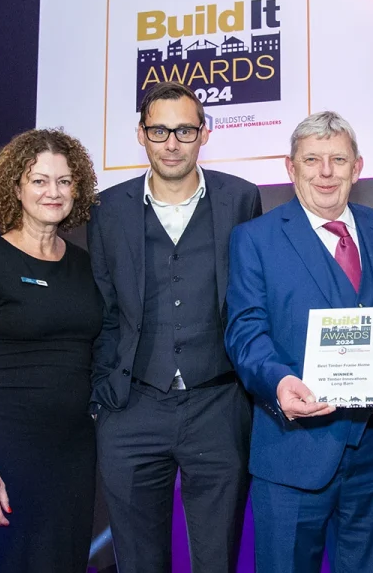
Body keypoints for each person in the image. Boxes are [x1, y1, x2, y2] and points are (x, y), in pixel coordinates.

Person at [225, 112, 373, 573]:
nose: (325, 172)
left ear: (357, 167)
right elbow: (245, 330)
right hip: (292, 452)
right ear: (291, 169)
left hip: (372, 448)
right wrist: (277, 382)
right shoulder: (255, 239)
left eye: (338, 159)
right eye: (311, 160)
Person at [88, 81, 261, 573]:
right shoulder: (106, 209)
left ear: (205, 133)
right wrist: (104, 395)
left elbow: (252, 302)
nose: (171, 142)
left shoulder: (241, 200)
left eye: (184, 129)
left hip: (218, 405)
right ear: (140, 134)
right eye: (159, 130)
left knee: (216, 560)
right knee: (138, 563)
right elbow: (101, 308)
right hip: (132, 407)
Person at [0, 128, 101, 573]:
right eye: (39, 180)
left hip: (72, 454)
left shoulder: (86, 266)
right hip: (4, 452)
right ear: (15, 187)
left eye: (64, 181)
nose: (53, 192)